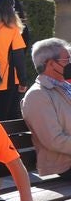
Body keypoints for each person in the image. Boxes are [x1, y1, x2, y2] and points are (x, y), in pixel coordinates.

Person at [22, 38, 71, 179]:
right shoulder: (37, 95)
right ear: (50, 63)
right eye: (66, 60)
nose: (70, 63)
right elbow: (54, 140)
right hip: (64, 164)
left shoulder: (65, 86)